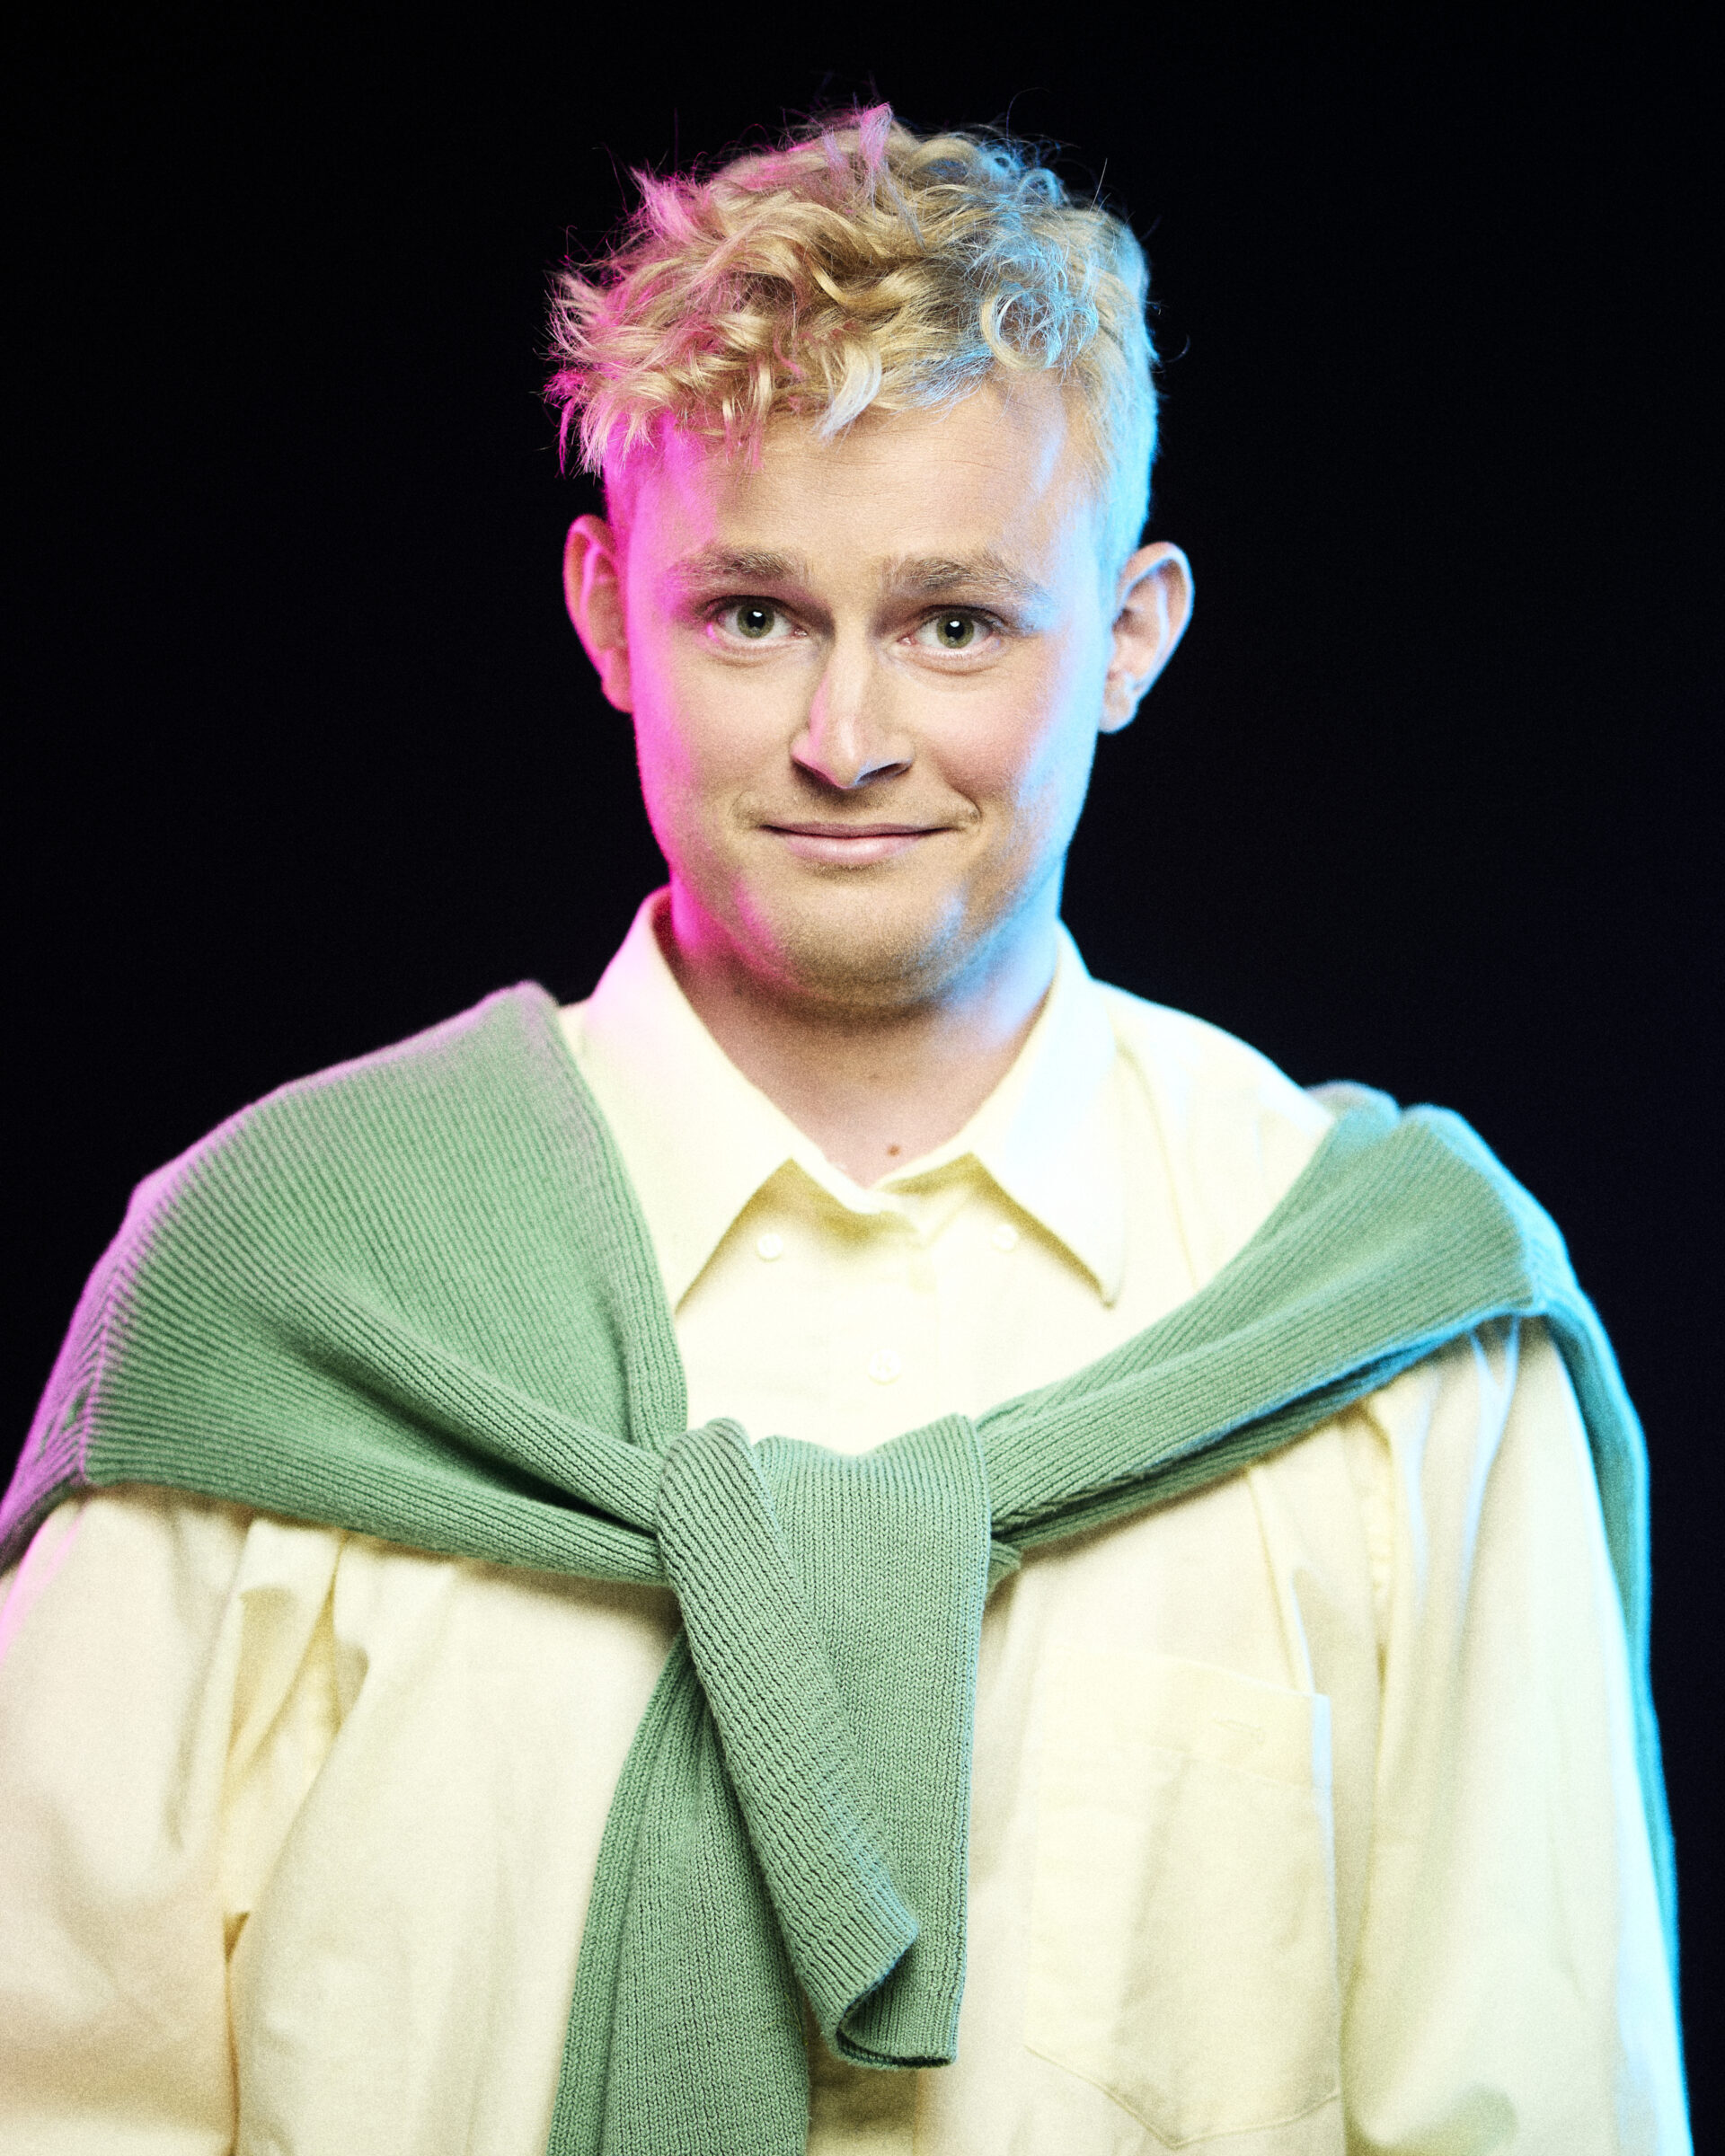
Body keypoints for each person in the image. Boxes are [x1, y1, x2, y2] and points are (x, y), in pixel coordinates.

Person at [0, 107, 1688, 2155]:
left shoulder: (1399, 1340)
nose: (846, 739)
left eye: (956, 622)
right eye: (753, 614)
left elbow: (1543, 2114)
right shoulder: (274, 1291)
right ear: (607, 612)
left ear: (1132, 634)